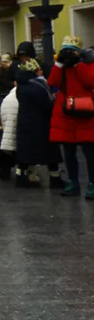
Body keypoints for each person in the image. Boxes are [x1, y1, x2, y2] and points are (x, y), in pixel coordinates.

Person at [3, 60, 62, 188]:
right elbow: (46, 104)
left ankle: (21, 176)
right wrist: (55, 101)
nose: (41, 71)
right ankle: (55, 178)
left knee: (26, 153)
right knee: (50, 153)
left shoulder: (22, 86)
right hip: (40, 124)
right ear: (33, 71)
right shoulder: (37, 86)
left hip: (26, 124)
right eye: (39, 69)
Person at [47, 35, 94, 199]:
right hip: (66, 112)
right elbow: (53, 82)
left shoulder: (87, 65)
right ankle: (73, 182)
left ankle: (92, 184)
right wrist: (59, 64)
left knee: (90, 152)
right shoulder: (62, 67)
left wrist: (79, 64)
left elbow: (90, 81)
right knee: (68, 151)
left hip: (85, 111)